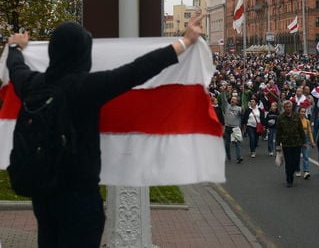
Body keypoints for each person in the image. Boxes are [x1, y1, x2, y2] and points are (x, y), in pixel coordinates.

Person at [6, 16, 204, 248]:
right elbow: (138, 70)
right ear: (83, 53)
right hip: (80, 200)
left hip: (43, 195)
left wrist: (14, 46)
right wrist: (186, 41)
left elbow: (16, 66)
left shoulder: (32, 84)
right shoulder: (86, 87)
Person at [276, 100, 306, 188]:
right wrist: (278, 144)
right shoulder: (281, 118)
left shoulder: (296, 116)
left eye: (289, 107)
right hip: (286, 143)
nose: (288, 108)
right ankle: (289, 179)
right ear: (284, 108)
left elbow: (300, 129)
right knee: (288, 162)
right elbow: (278, 132)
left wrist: (304, 141)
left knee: (296, 161)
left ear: (292, 107)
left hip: (297, 142)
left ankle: (293, 171)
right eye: (286, 107)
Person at [220, 87, 243, 163]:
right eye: (232, 99)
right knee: (227, 144)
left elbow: (242, 115)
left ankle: (239, 157)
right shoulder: (227, 106)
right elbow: (223, 99)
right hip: (227, 127)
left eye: (234, 99)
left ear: (237, 101)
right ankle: (229, 157)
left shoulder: (239, 108)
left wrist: (243, 110)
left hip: (235, 128)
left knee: (237, 143)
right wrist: (223, 91)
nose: (233, 100)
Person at [296, 106, 316, 179]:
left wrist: (312, 142)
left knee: (306, 156)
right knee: (297, 156)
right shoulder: (296, 120)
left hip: (305, 139)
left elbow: (309, 132)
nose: (303, 113)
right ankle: (297, 169)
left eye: (304, 112)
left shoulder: (307, 121)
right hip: (297, 140)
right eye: (302, 111)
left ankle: (306, 171)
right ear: (299, 112)